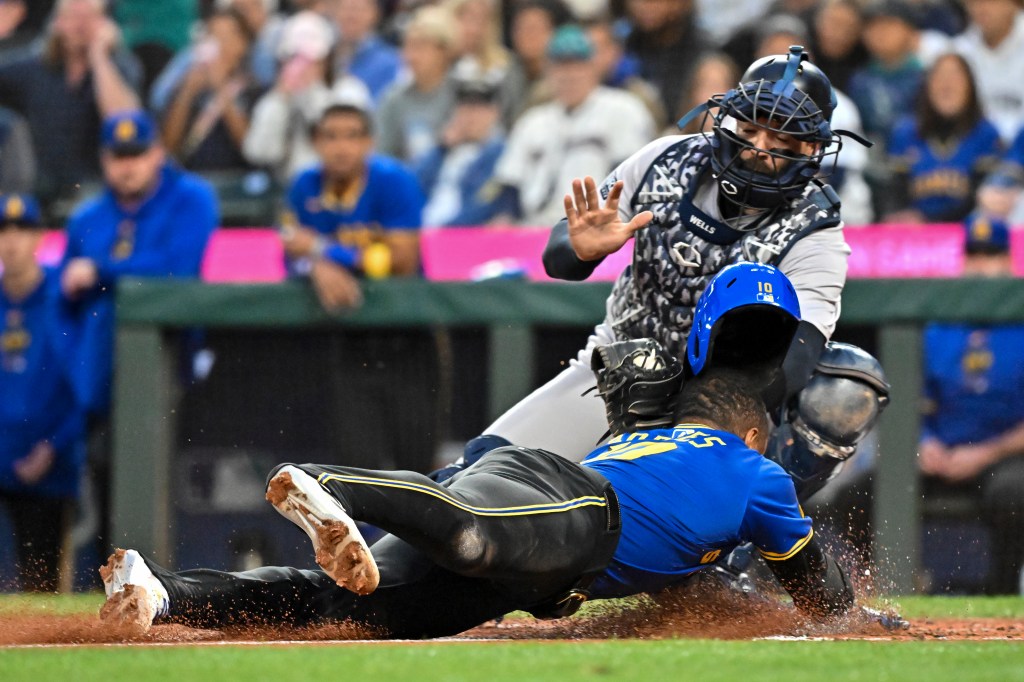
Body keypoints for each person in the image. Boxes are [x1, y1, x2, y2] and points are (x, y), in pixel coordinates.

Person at [98, 264, 868, 637]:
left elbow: (687, 579)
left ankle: (161, 593)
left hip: (534, 568)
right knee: (467, 525)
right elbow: (823, 599)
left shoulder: (649, 440)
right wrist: (865, 612)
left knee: (348, 608)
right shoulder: (756, 474)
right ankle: (331, 485)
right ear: (753, 431)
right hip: (572, 508)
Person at [444, 46, 880, 500]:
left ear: (812, 150)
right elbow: (560, 259)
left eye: (782, 141)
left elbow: (796, 363)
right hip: (614, 374)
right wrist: (580, 248)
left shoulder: (816, 231)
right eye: (749, 128)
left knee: (845, 383)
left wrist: (699, 417)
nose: (759, 149)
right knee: (469, 477)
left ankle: (753, 527)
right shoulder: (665, 160)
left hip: (715, 414)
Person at [61, 110, 219, 561]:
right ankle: (97, 604)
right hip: (98, 379)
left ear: (158, 154)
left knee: (166, 486)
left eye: (137, 154)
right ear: (104, 159)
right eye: (118, 156)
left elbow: (178, 271)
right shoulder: (88, 215)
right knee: (101, 490)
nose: (127, 165)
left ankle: (173, 592)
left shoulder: (190, 197)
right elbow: (65, 297)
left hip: (172, 370)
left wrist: (102, 272)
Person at [278, 102, 436, 474]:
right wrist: (315, 266)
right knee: (355, 467)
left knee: (416, 470)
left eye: (352, 136)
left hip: (408, 339)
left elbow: (402, 261)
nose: (341, 146)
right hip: (345, 340)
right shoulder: (304, 186)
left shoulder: (393, 180)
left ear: (369, 142)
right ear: (316, 142)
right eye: (330, 136)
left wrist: (320, 250)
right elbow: (288, 253)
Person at [918, 213, 1024, 594]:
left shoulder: (1020, 320)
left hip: (1003, 455)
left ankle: (1003, 592)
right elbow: (912, 400)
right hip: (940, 454)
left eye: (991, 255)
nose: (981, 266)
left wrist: (985, 453)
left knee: (1015, 492)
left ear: (1008, 261)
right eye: (973, 255)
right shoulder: (939, 324)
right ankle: (887, 589)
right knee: (856, 493)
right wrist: (923, 442)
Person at [0, 194, 86, 592]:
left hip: (47, 463)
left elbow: (84, 385)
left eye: (22, 230)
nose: (11, 241)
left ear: (39, 237)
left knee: (41, 586)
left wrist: (54, 446)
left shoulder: (65, 297)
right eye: (3, 231)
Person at [489, 24, 656, 227]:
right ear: (547, 70)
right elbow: (509, 190)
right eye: (560, 65)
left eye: (577, 64)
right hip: (531, 230)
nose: (569, 74)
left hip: (596, 229)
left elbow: (633, 179)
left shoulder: (623, 110)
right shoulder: (531, 121)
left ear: (593, 66)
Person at [0, 0, 141, 212]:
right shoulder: (33, 68)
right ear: (57, 23)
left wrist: (99, 57)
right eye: (73, 16)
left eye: (89, 17)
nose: (80, 26)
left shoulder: (120, 66)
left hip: (98, 193)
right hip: (38, 192)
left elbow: (124, 122)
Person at [242, 10, 371, 183]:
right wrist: (280, 100)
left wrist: (314, 92)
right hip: (290, 190)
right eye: (295, 59)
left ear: (327, 59)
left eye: (313, 60)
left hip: (340, 185)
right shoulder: (276, 98)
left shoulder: (350, 91)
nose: (303, 67)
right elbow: (260, 153)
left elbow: (348, 150)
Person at [883, 52, 1001, 223]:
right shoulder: (905, 133)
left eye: (955, 78)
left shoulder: (986, 135)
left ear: (971, 87)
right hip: (914, 237)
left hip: (968, 235)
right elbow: (893, 193)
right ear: (926, 86)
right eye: (939, 77)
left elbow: (985, 199)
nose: (947, 86)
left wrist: (929, 220)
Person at [159, 7, 263, 172]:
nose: (219, 45)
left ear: (243, 43)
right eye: (213, 37)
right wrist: (186, 93)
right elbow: (168, 148)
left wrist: (221, 88)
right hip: (192, 180)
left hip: (237, 184)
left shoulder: (255, 90)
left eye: (226, 37)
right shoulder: (184, 87)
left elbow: (250, 148)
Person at [416, 78, 506, 227]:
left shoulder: (499, 152)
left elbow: (483, 204)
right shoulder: (444, 149)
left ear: (494, 112)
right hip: (424, 227)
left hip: (459, 236)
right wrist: (441, 149)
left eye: (479, 108)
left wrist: (444, 229)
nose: (471, 115)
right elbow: (413, 185)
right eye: (465, 107)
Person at [374, 5, 459, 165]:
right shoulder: (393, 99)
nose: (410, 55)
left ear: (444, 50)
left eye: (420, 46)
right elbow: (382, 158)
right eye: (407, 45)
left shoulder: (463, 95)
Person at [952, 0, 1024, 145]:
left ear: (1013, 4)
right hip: (975, 149)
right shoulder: (958, 51)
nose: (982, 8)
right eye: (974, 2)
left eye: (991, 1)